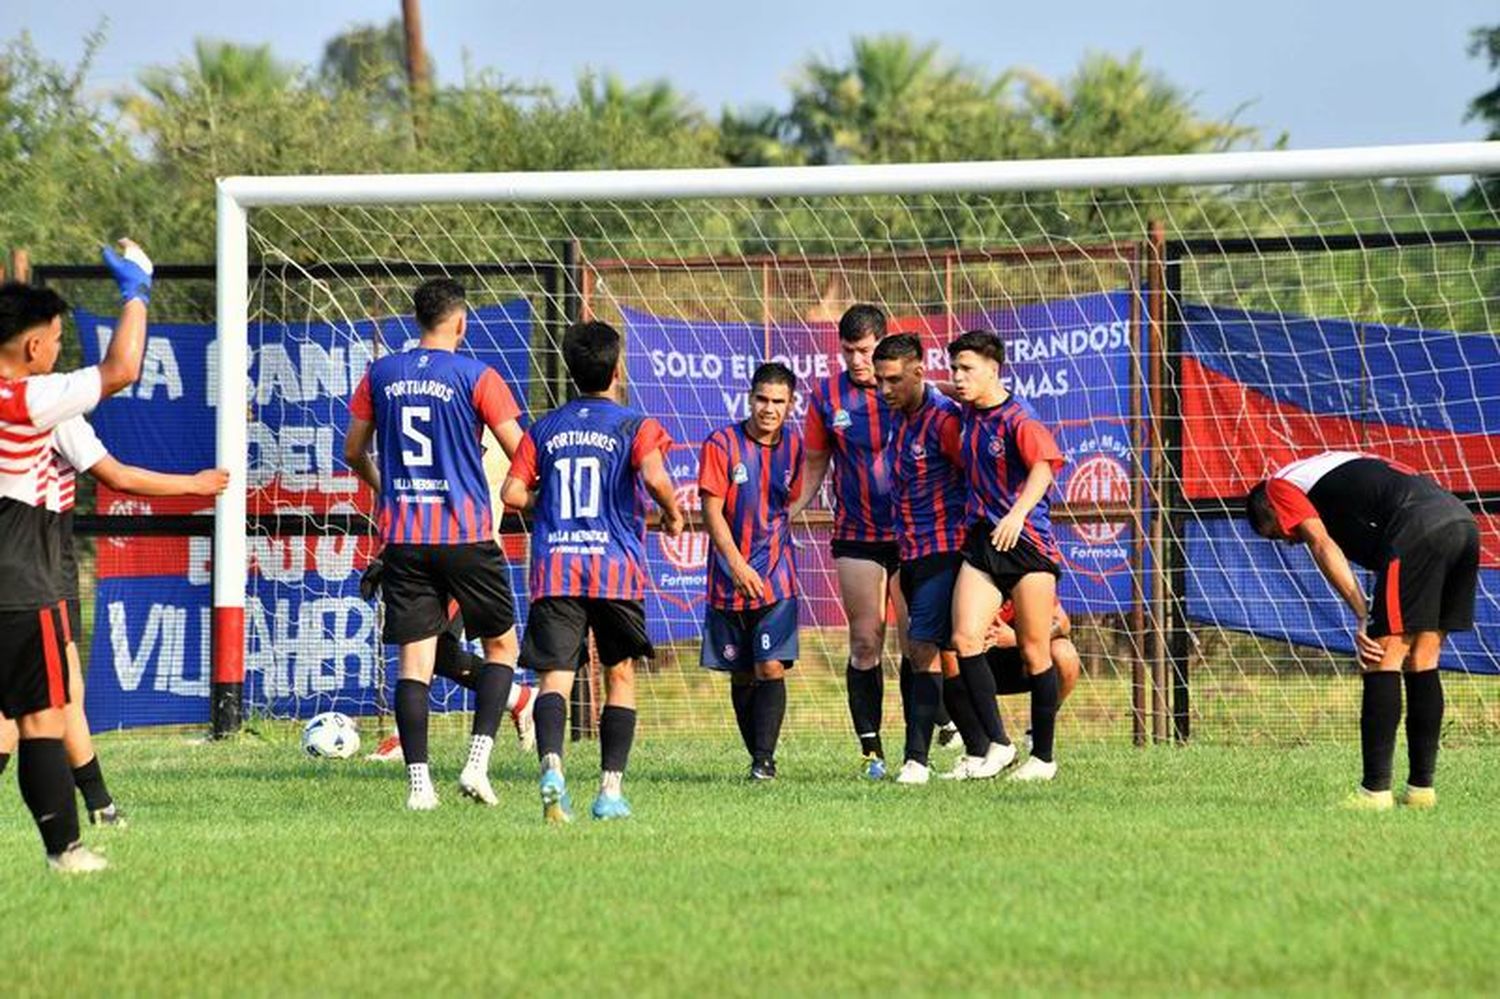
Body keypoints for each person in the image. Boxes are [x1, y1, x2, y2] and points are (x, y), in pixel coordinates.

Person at [344, 277, 525, 811]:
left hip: (404, 537)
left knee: (414, 666)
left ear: (417, 319)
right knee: (502, 649)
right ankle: (475, 762)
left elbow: (353, 450)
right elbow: (521, 451)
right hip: (467, 535)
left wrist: (387, 490)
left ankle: (419, 787)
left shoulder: (381, 373)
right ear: (461, 322)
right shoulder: (478, 375)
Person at [0, 239, 152, 873]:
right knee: (42, 719)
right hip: (17, 581)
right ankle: (66, 851)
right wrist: (136, 291)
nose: (59, 350)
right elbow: (121, 368)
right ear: (34, 347)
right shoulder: (27, 400)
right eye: (58, 339)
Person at [0, 414, 227, 826]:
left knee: (48, 695)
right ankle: (95, 811)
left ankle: (100, 804)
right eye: (53, 343)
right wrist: (195, 484)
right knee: (46, 698)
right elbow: (117, 477)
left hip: (23, 566)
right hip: (39, 570)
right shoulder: (46, 406)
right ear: (32, 347)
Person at [500, 320, 684, 823]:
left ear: (570, 371)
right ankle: (609, 791)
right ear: (617, 368)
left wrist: (547, 498)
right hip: (615, 570)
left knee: (555, 677)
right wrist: (672, 513)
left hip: (556, 566)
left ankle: (554, 768)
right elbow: (654, 476)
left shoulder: (546, 428)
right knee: (619, 674)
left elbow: (512, 495)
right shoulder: (633, 425)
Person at [1246, 451, 1480, 810]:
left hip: (1417, 529)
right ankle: (1421, 792)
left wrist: (1361, 615)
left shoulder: (1279, 486)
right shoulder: (1335, 474)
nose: (1288, 540)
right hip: (1462, 524)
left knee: (1380, 657)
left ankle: (1375, 793)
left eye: (1276, 533)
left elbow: (1321, 543)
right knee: (1423, 657)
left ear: (1270, 509)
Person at [791, 304, 907, 780]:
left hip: (911, 534)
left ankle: (928, 739)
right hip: (857, 534)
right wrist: (790, 510)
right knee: (865, 642)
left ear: (882, 343)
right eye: (848, 351)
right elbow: (817, 462)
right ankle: (871, 752)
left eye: (864, 350)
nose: (857, 360)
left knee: (919, 642)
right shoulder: (827, 397)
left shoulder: (909, 388)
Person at [946, 330, 1068, 783]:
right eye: (954, 369)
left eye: (967, 369)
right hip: (983, 540)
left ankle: (1044, 759)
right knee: (964, 638)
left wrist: (1017, 515)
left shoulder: (1019, 418)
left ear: (994, 370)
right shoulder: (967, 410)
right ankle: (998, 744)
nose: (958, 378)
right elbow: (942, 390)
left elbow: (1045, 465)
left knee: (1037, 651)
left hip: (1026, 543)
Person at [871, 333, 970, 785]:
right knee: (935, 653)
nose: (884, 389)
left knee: (923, 649)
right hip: (908, 549)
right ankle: (990, 745)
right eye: (879, 380)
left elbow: (973, 475)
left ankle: (916, 761)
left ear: (918, 371)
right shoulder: (899, 418)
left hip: (944, 548)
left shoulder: (945, 420)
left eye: (893, 379)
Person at [698, 362, 804, 780]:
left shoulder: (796, 446)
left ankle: (764, 761)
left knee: (770, 666)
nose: (769, 408)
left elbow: (792, 498)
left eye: (778, 401)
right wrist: (737, 563)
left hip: (777, 577)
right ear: (750, 398)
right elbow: (711, 509)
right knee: (741, 672)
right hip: (728, 577)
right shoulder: (721, 443)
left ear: (791, 404)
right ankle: (757, 756)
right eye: (762, 399)